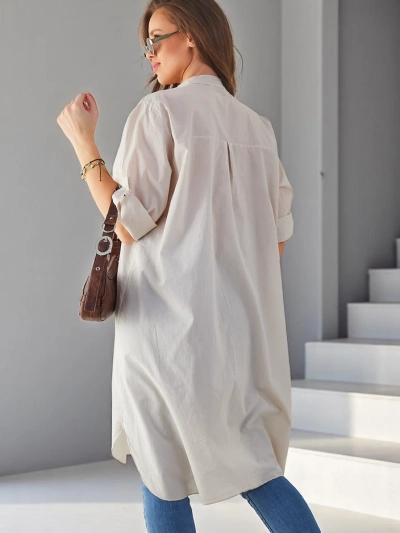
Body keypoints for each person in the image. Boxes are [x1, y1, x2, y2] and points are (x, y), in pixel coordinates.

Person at [59, 0, 321, 531]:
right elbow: (274, 244)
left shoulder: (158, 113)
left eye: (157, 37)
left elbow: (128, 223)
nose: (149, 53)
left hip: (164, 332)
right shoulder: (259, 129)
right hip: (240, 335)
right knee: (257, 469)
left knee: (161, 469)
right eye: (147, 43)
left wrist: (84, 144)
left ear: (193, 37)